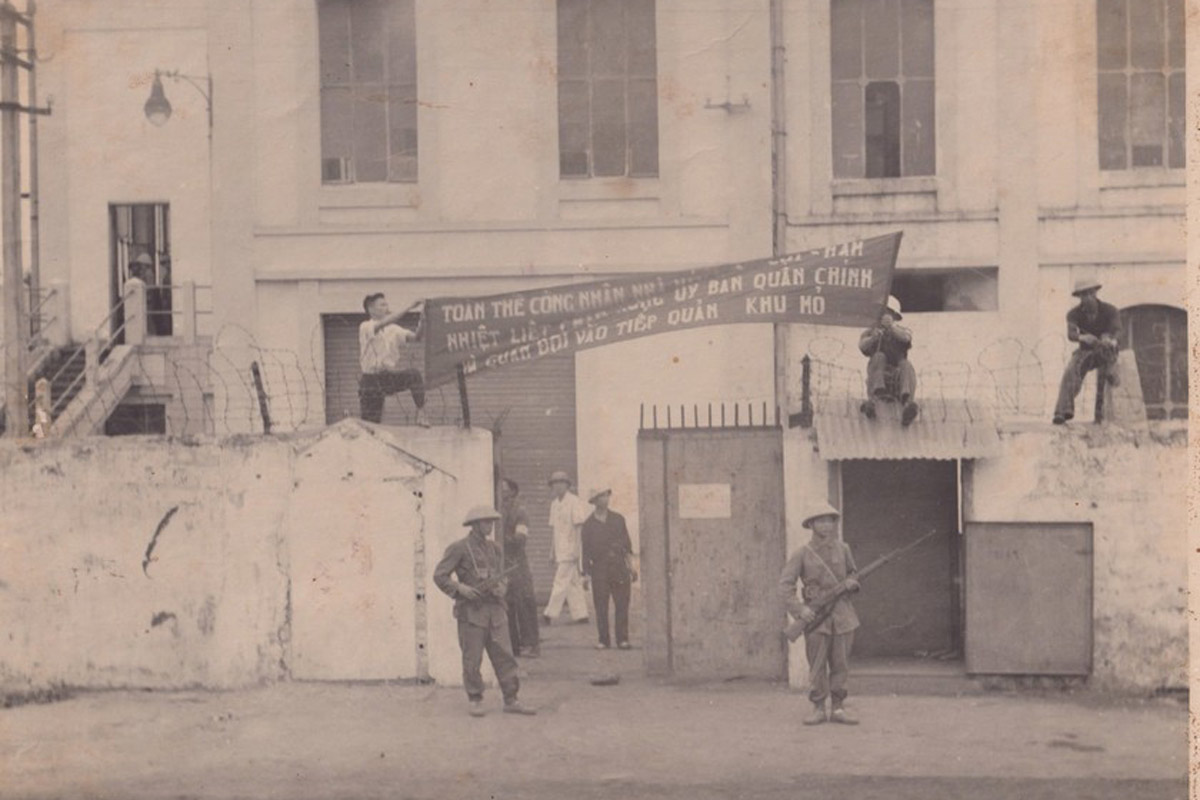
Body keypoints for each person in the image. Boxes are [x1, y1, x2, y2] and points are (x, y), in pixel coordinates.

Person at [433, 505, 536, 717]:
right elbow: (440, 575)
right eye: (485, 522)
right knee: (472, 659)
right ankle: (475, 699)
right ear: (474, 525)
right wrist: (460, 589)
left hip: (496, 611)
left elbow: (502, 576)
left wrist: (502, 587)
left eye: (491, 522)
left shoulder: (496, 549)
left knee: (505, 657)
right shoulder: (459, 548)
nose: (490, 526)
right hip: (472, 612)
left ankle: (511, 699)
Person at [778, 502, 861, 726]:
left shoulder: (844, 549)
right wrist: (800, 610)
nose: (826, 525)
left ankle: (838, 708)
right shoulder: (802, 553)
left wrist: (853, 583)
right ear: (812, 525)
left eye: (830, 520)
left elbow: (853, 573)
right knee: (816, 664)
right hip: (815, 618)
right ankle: (817, 707)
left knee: (841, 664)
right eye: (820, 520)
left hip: (843, 617)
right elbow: (785, 586)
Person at [1053, 278, 1121, 425]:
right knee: (1071, 371)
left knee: (1109, 376)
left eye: (1090, 293)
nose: (1088, 297)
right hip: (1086, 351)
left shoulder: (1110, 310)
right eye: (1084, 295)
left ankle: (1101, 414)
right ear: (1079, 297)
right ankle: (1063, 411)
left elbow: (1116, 330)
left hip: (1106, 350)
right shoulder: (1073, 314)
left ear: (1096, 293)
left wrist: (1108, 338)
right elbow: (1071, 334)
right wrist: (1083, 337)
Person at [358, 292, 429, 427]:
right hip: (371, 380)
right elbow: (385, 322)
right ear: (371, 309)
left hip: (387, 377)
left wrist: (423, 320)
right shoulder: (365, 326)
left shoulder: (393, 329)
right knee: (371, 424)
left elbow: (416, 338)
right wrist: (409, 307)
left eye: (386, 304)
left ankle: (421, 414)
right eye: (382, 305)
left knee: (414, 375)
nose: (386, 307)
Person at [581, 488, 634, 651]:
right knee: (601, 605)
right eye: (601, 496)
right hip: (599, 569)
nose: (605, 499)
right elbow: (586, 551)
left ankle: (622, 639)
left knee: (622, 604)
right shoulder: (588, 525)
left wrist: (631, 568)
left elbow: (627, 546)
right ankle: (603, 640)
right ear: (594, 501)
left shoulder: (618, 519)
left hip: (619, 567)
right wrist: (586, 575)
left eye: (606, 495)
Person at [858, 295, 919, 426]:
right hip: (879, 378)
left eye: (888, 313)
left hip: (898, 378)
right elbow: (862, 345)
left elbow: (906, 338)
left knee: (906, 364)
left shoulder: (900, 331)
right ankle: (873, 401)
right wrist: (873, 338)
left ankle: (907, 402)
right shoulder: (871, 331)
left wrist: (891, 328)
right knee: (879, 356)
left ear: (894, 316)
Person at [541, 470, 591, 626]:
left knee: (560, 581)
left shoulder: (574, 501)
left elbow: (579, 527)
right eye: (554, 483)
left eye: (560, 482)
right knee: (572, 582)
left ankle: (549, 613)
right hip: (560, 549)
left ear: (567, 484)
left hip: (571, 548)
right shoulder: (554, 504)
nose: (557, 486)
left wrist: (577, 549)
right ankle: (581, 614)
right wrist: (551, 552)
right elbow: (554, 530)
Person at [499, 478, 540, 658]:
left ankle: (531, 644)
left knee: (524, 603)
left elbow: (521, 539)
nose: (501, 492)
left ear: (513, 491)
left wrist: (501, 540)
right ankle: (514, 646)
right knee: (506, 605)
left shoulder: (520, 512)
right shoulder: (498, 508)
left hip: (517, 564)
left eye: (504, 489)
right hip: (501, 563)